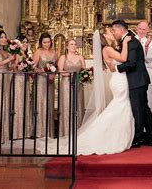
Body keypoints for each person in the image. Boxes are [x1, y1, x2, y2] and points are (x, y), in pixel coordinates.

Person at [38, 27, 134, 155]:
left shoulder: (106, 49)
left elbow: (110, 67)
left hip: (115, 78)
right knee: (119, 106)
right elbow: (122, 59)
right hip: (114, 81)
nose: (112, 32)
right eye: (110, 32)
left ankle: (116, 133)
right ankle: (100, 132)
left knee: (120, 107)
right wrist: (127, 43)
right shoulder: (107, 49)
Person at [113, 19, 152, 147]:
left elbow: (131, 63)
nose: (113, 33)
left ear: (121, 30)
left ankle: (138, 138)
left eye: (114, 30)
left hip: (137, 80)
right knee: (144, 108)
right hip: (140, 79)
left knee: (138, 109)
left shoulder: (130, 42)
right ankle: (150, 137)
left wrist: (116, 68)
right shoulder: (129, 40)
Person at [0, 31, 16, 144]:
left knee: (5, 103)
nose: (4, 39)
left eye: (5, 37)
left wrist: (13, 65)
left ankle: (3, 134)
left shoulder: (6, 51)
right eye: (2, 37)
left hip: (5, 77)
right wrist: (8, 60)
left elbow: (8, 67)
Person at [57, 39, 86, 137]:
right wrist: (70, 75)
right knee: (67, 105)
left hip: (78, 83)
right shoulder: (63, 57)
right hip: (66, 83)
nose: (74, 46)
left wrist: (84, 75)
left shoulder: (80, 57)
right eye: (71, 44)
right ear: (67, 46)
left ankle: (79, 131)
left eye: (75, 44)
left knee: (78, 105)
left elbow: (84, 71)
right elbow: (60, 71)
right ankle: (66, 132)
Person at [135, 21, 152, 132]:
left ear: (147, 30)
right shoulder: (131, 40)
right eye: (140, 28)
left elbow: (150, 58)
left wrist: (145, 47)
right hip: (134, 72)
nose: (141, 31)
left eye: (144, 29)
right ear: (136, 28)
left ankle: (147, 129)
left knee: (147, 99)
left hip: (146, 71)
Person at [31, 33, 57, 137]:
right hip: (40, 81)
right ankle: (39, 131)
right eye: (44, 42)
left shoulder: (54, 52)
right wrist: (43, 72)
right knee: (40, 103)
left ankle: (48, 131)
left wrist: (53, 75)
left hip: (50, 82)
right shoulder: (38, 51)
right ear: (41, 42)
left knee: (49, 104)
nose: (46, 44)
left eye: (48, 42)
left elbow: (56, 67)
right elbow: (33, 67)